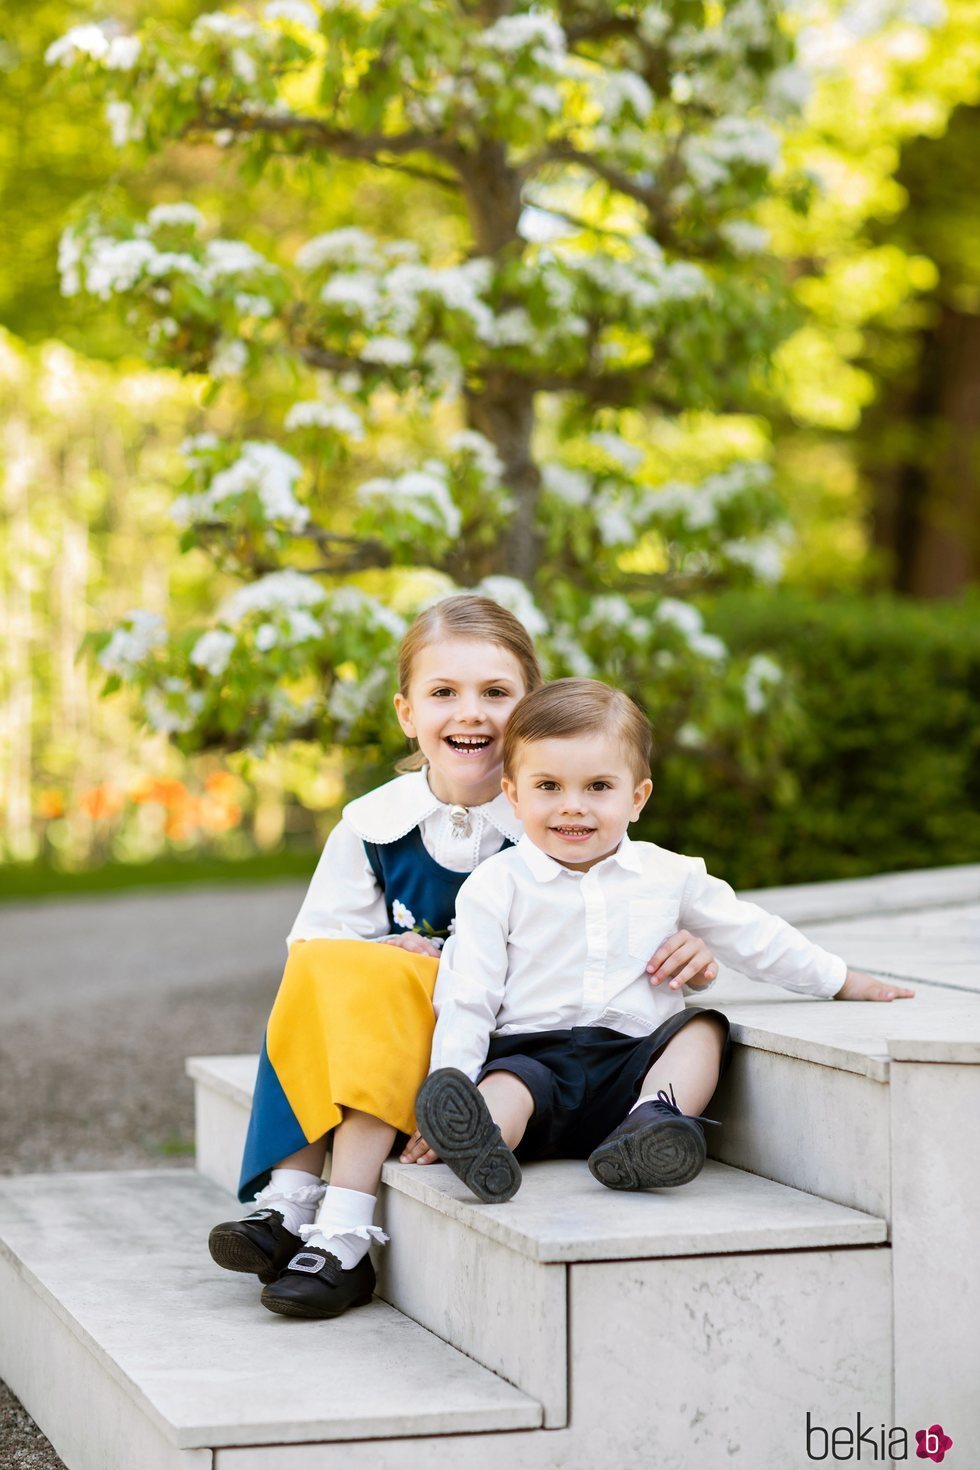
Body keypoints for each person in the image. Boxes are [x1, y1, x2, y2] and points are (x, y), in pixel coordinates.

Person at [208, 604, 718, 1320]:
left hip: (499, 1046)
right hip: (383, 1033)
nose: (469, 712)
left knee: (383, 982)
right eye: (444, 692)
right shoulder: (371, 829)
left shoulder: (563, 821)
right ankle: (290, 1203)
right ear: (407, 713)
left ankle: (344, 1225)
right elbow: (315, 957)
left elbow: (635, 912)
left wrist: (691, 943)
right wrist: (387, 953)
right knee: (329, 968)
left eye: (496, 693)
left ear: (532, 708)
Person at [414, 678, 916, 1204]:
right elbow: (468, 995)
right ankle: (481, 1140)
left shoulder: (668, 874)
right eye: (548, 787)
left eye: (598, 787)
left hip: (630, 1066)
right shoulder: (497, 884)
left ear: (638, 797)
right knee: (504, 1092)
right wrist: (454, 1080)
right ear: (513, 795)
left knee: (702, 1029)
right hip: (533, 1061)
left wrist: (840, 979)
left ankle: (652, 1124)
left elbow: (751, 934)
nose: (573, 807)